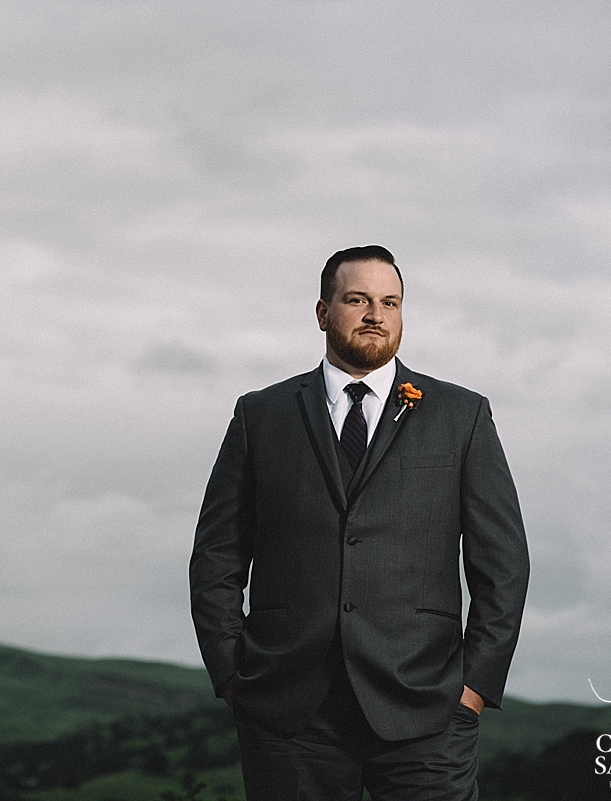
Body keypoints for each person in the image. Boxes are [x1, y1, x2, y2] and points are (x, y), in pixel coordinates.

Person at [189, 246, 529, 801]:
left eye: (390, 302)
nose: (376, 313)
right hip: (287, 709)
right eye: (358, 300)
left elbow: (504, 564)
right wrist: (233, 676)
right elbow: (216, 557)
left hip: (427, 706)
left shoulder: (461, 416)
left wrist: (473, 687)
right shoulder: (260, 415)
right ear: (323, 312)